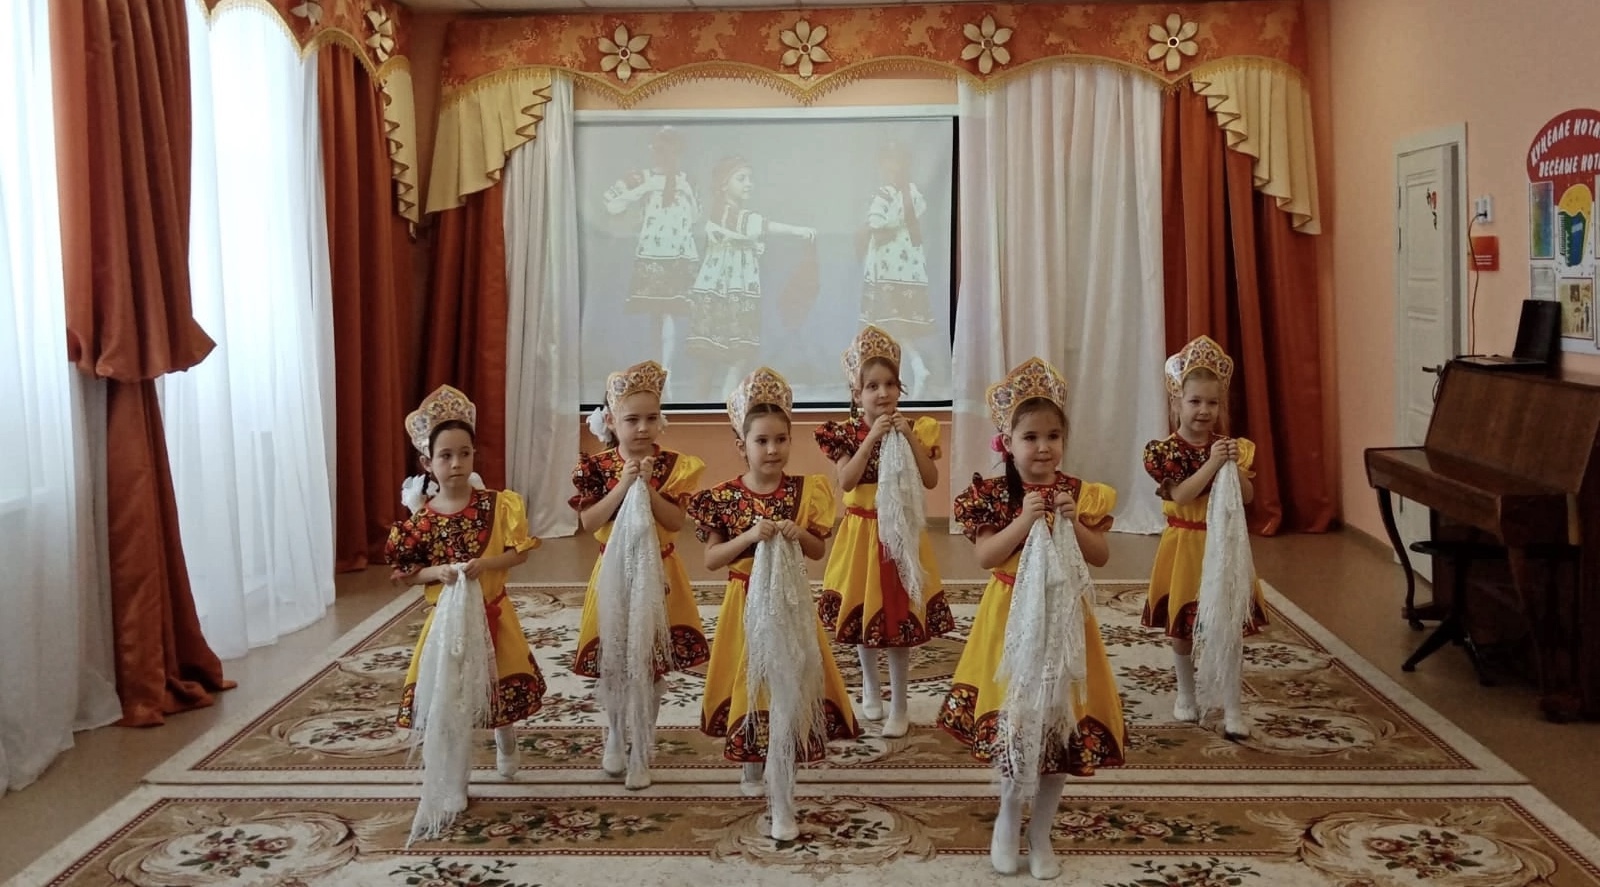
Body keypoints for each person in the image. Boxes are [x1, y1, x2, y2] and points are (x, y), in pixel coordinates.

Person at [936, 358, 1126, 880]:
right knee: (1016, 723)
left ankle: (1041, 830)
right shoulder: (992, 495)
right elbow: (986, 556)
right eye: (1030, 437)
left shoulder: (1079, 493)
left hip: (1064, 622)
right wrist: (1024, 520)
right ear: (1007, 443)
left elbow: (1100, 555)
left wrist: (1074, 521)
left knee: (1059, 726)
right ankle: (1007, 816)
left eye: (1053, 436)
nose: (1043, 448)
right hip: (1010, 621)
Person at [686, 367, 860, 841]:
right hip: (743, 607)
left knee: (786, 690)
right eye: (761, 441)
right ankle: (751, 753)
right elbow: (712, 559)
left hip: (789, 606)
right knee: (750, 684)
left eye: (781, 439)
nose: (772, 450)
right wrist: (748, 536)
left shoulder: (807, 491)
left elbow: (818, 551)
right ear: (741, 445)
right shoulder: (723, 498)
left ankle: (783, 800)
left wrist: (797, 532)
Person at [386, 385, 545, 838]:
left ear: (474, 456)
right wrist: (435, 572)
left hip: (493, 614)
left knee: (499, 683)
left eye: (464, 454)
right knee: (450, 698)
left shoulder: (498, 505)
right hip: (447, 624)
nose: (456, 464)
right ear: (428, 463)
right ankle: (456, 779)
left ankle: (505, 740)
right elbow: (405, 573)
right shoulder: (422, 521)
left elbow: (519, 553)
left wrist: (485, 565)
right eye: (445, 456)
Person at [570, 360, 708, 789]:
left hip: (660, 572)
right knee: (614, 657)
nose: (643, 428)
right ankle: (615, 734)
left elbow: (675, 521)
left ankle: (643, 747)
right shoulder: (596, 468)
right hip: (614, 572)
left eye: (651, 418)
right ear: (612, 421)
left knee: (650, 663)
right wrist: (621, 485)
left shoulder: (674, 466)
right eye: (632, 420)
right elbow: (590, 522)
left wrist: (646, 487)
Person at [815, 325, 952, 738]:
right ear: (856, 394)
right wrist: (871, 439)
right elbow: (847, 481)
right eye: (872, 386)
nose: (883, 393)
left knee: (898, 620)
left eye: (890, 384)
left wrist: (908, 437)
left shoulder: (916, 429)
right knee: (864, 612)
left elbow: (931, 479)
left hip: (901, 536)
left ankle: (901, 703)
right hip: (861, 536)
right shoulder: (845, 433)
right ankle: (871, 687)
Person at [1141, 335, 1267, 739]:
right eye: (1194, 401)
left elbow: (1247, 496)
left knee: (1227, 625)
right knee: (1183, 626)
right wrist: (1213, 464)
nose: (1204, 410)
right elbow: (1182, 495)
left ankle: (1232, 706)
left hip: (1224, 545)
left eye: (1212, 403)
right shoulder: (1166, 451)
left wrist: (1232, 467)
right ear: (1176, 403)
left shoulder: (1231, 448)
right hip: (1186, 546)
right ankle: (1187, 693)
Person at [685, 157, 816, 398]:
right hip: (721, 292)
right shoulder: (724, 212)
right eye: (741, 178)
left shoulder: (732, 215)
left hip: (738, 289)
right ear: (724, 184)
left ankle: (724, 405)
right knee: (714, 358)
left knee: (738, 354)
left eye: (750, 178)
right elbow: (761, 225)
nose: (749, 184)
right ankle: (709, 408)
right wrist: (797, 230)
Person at [603, 127, 700, 389]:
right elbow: (611, 204)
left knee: (670, 313)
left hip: (678, 255)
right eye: (661, 148)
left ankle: (667, 370)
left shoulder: (686, 179)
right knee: (654, 314)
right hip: (652, 254)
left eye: (672, 148)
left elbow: (694, 218)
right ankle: (652, 369)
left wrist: (686, 192)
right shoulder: (641, 177)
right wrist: (645, 188)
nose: (666, 154)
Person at [859, 140, 933, 392]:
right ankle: (914, 366)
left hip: (892, 264)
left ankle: (910, 369)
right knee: (892, 321)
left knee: (891, 318)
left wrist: (883, 223)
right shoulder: (907, 194)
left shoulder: (897, 194)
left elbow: (876, 222)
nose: (891, 167)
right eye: (887, 162)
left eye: (896, 162)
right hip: (900, 263)